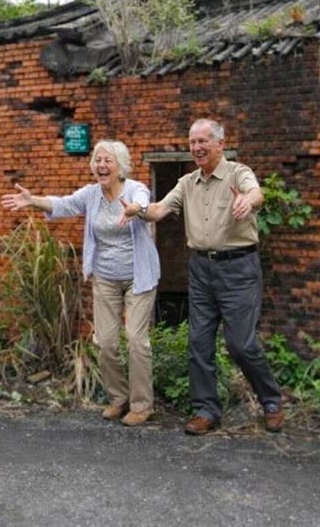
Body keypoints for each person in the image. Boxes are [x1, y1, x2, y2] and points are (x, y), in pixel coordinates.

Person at [122, 118, 284, 435]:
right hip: (201, 269)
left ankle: (271, 401)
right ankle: (206, 410)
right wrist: (137, 210)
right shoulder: (186, 183)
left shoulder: (238, 172)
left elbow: (257, 194)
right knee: (198, 342)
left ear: (220, 144)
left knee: (240, 344)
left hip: (239, 268)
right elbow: (158, 211)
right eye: (192, 142)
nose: (196, 147)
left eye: (202, 141)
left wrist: (246, 201)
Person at [1, 140, 160, 426]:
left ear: (120, 166)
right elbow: (63, 204)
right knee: (106, 342)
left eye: (107, 161)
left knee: (136, 341)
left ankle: (142, 405)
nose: (101, 165)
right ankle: (118, 398)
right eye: (97, 160)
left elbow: (145, 202)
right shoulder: (90, 194)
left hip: (139, 276)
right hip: (105, 277)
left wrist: (135, 209)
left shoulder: (135, 188)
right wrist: (33, 200)